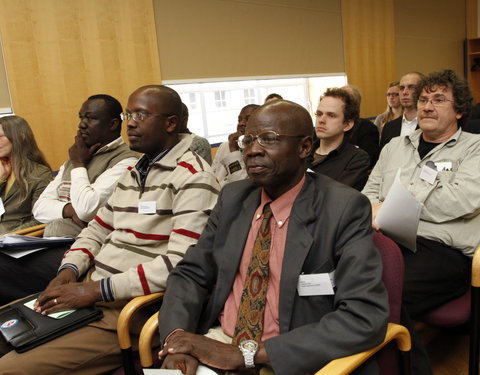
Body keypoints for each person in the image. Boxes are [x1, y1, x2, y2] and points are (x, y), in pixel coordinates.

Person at [0, 85, 220, 374]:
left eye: (141, 115)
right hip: (91, 294)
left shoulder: (194, 178)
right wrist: (68, 272)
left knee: (10, 369)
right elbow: (95, 230)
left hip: (129, 311)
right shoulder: (135, 172)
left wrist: (94, 290)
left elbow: (179, 265)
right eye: (130, 114)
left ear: (170, 123)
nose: (130, 122)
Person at [158, 100, 388, 375]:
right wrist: (177, 341)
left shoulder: (343, 208)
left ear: (304, 147)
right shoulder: (233, 198)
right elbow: (190, 274)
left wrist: (245, 355)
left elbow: (364, 316)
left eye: (268, 139)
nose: (253, 151)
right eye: (248, 141)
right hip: (218, 342)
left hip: (287, 354)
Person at [362, 69, 479, 375]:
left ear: (459, 110)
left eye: (439, 99)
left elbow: (459, 201)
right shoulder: (394, 147)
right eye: (424, 98)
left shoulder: (475, 149)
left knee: (382, 291)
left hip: (442, 251)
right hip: (387, 240)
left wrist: (391, 204)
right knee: (344, 281)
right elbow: (368, 194)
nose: (427, 106)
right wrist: (388, 205)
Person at [33, 94, 138, 238]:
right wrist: (70, 210)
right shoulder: (77, 155)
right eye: (81, 117)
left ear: (112, 124)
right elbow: (39, 209)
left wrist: (78, 165)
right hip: (58, 244)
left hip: (95, 245)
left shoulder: (127, 161)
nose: (81, 124)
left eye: (91, 118)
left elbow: (86, 210)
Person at [308, 87, 370, 190]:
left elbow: (337, 197)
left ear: (347, 124)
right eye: (319, 114)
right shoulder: (302, 152)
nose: (321, 120)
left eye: (331, 115)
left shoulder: (357, 159)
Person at [0, 115, 52, 234]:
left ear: (20, 137)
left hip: (15, 240)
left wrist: (8, 236)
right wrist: (1, 180)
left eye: (0, 136)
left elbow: (41, 218)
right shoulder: (1, 170)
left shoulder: (40, 174)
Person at [212, 104, 260, 186]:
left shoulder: (259, 150)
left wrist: (234, 151)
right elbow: (213, 176)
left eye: (247, 119)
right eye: (239, 120)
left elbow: (241, 185)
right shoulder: (225, 146)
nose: (241, 123)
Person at [379, 72, 424, 150]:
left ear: (423, 90)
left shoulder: (431, 124)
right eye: (402, 88)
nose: (405, 92)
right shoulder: (388, 127)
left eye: (411, 87)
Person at [341, 85, 380, 168]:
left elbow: (368, 160)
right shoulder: (332, 126)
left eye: (345, 99)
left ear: (356, 104)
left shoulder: (368, 128)